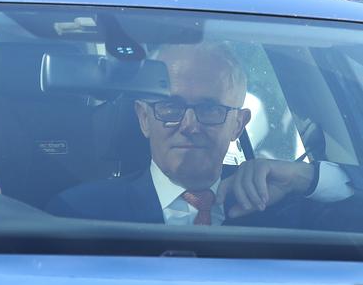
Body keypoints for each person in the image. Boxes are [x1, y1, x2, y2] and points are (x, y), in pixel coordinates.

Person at [48, 42, 363, 229]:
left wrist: (306, 177)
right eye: (171, 107)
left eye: (210, 110)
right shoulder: (82, 214)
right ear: (144, 118)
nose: (189, 125)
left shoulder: (282, 205)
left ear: (238, 125)